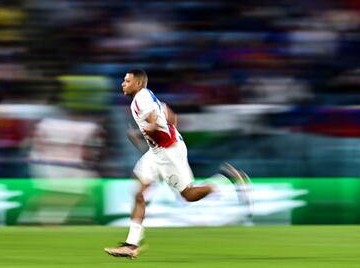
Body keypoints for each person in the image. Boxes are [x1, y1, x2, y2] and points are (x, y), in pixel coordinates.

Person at [104, 69, 251, 259]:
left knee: (189, 195)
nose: (123, 84)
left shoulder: (142, 98)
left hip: (168, 152)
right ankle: (132, 245)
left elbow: (154, 124)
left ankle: (227, 180)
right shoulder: (145, 98)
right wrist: (153, 132)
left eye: (127, 81)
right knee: (138, 192)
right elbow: (170, 116)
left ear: (138, 84)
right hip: (157, 152)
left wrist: (144, 132)